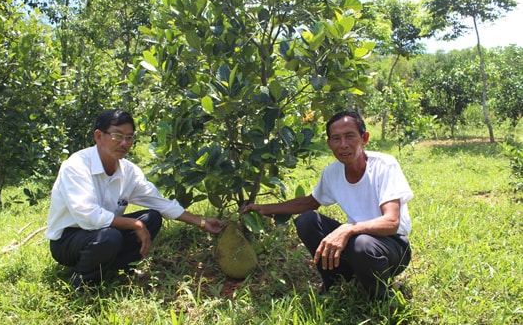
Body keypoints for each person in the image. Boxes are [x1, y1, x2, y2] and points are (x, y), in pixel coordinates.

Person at [46, 109, 223, 291]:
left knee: (152, 218)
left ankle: (115, 268)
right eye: (117, 135)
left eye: (129, 138)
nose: (124, 143)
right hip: (68, 240)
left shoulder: (129, 171)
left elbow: (160, 203)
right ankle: (82, 283)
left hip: (103, 234)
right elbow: (89, 217)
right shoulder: (76, 166)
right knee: (110, 236)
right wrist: (134, 224)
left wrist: (201, 222)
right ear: (99, 136)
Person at [243, 111, 412, 299]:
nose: (343, 145)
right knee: (307, 220)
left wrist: (348, 229)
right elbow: (309, 202)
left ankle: (380, 297)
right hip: (357, 242)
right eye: (336, 139)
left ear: (364, 138)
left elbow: (391, 222)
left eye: (350, 136)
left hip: (391, 247)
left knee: (361, 244)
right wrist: (265, 208)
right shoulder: (332, 173)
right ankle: (336, 279)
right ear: (329, 144)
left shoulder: (384, 166)